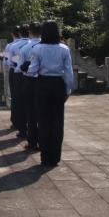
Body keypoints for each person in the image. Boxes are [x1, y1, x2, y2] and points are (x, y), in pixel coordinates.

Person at [27, 20, 74, 166]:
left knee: (43, 121)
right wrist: (68, 89)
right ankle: (55, 157)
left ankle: (45, 156)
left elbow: (32, 70)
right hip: (58, 84)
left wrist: (26, 68)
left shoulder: (37, 49)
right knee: (57, 122)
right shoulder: (64, 49)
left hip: (42, 84)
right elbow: (69, 72)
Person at [18, 22, 41, 150]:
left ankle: (32, 142)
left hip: (29, 81)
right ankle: (43, 141)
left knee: (31, 113)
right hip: (43, 81)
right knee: (43, 113)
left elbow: (20, 68)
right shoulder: (46, 46)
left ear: (30, 32)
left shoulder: (25, 48)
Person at [7, 25, 30, 137]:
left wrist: (18, 60)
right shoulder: (35, 45)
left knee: (17, 98)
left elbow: (9, 62)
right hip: (33, 74)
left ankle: (18, 123)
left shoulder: (12, 46)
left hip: (17, 72)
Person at [4, 26, 21, 129]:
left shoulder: (10, 46)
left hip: (14, 72)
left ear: (12, 34)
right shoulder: (30, 44)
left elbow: (7, 61)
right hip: (29, 73)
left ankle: (15, 120)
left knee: (15, 96)